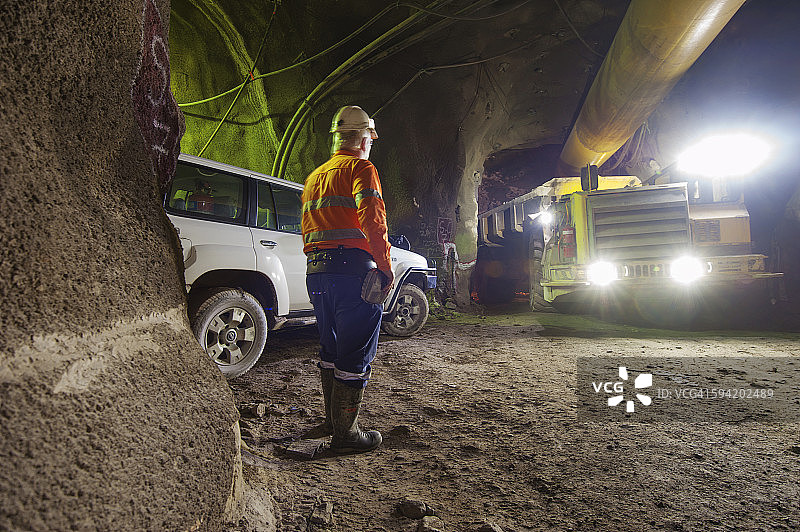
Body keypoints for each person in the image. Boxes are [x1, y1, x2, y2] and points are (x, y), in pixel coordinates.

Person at [301, 105, 394, 453]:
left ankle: (331, 420)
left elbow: (308, 230)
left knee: (330, 349)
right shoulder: (361, 168)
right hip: (353, 272)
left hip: (318, 272)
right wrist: (384, 266)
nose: (371, 143)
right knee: (354, 353)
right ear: (363, 138)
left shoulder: (315, 176)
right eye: (370, 137)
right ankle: (346, 435)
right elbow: (373, 220)